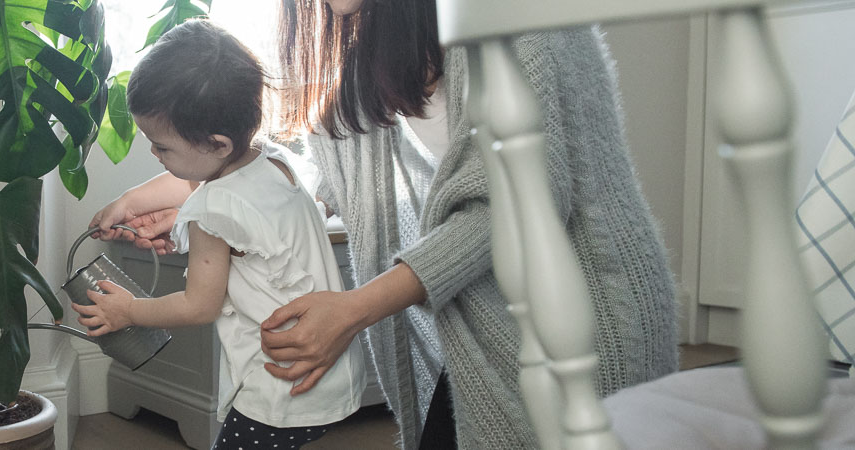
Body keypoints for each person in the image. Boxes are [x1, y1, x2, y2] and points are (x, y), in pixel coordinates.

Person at [91, 1, 681, 449]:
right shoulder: (360, 36)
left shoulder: (516, 23)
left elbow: (517, 204)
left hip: (580, 318)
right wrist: (202, 203)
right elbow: (316, 177)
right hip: (469, 325)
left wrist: (354, 308)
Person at [76, 19, 367, 450]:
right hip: (333, 368)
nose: (154, 155)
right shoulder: (274, 160)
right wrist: (131, 201)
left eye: (162, 147)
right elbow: (202, 180)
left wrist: (129, 312)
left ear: (217, 144)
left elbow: (199, 305)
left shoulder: (212, 211)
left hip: (278, 384)